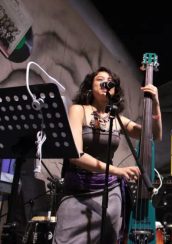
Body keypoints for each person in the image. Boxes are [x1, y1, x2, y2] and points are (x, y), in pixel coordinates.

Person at [53, 67, 162, 243]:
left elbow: (154, 135)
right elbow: (75, 155)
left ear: (114, 90)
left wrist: (155, 102)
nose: (105, 82)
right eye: (100, 79)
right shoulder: (78, 110)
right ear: (90, 86)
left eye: (109, 81)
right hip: (77, 189)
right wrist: (118, 171)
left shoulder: (117, 118)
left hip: (109, 192)